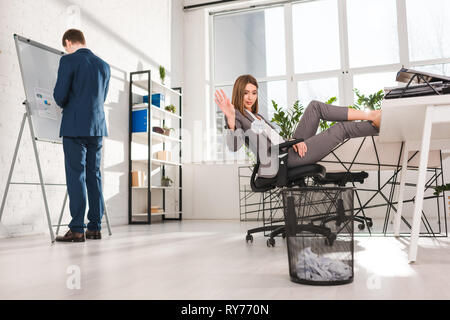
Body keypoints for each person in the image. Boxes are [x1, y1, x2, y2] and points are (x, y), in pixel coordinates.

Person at [215, 74, 381, 177]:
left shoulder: (257, 116)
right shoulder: (236, 115)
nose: (250, 97)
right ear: (238, 93)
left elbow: (275, 138)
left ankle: (371, 115)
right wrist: (230, 119)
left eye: (253, 93)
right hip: (281, 159)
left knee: (314, 106)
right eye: (245, 93)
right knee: (341, 129)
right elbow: (233, 146)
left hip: (287, 148)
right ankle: (378, 124)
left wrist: (294, 142)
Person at [53, 29, 111, 242]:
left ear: (68, 42)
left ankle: (77, 228)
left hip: (75, 127)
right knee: (94, 175)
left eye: (65, 46)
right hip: (96, 128)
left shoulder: (68, 61)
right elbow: (101, 97)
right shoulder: (104, 65)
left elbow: (60, 96)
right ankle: (95, 227)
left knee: (76, 175)